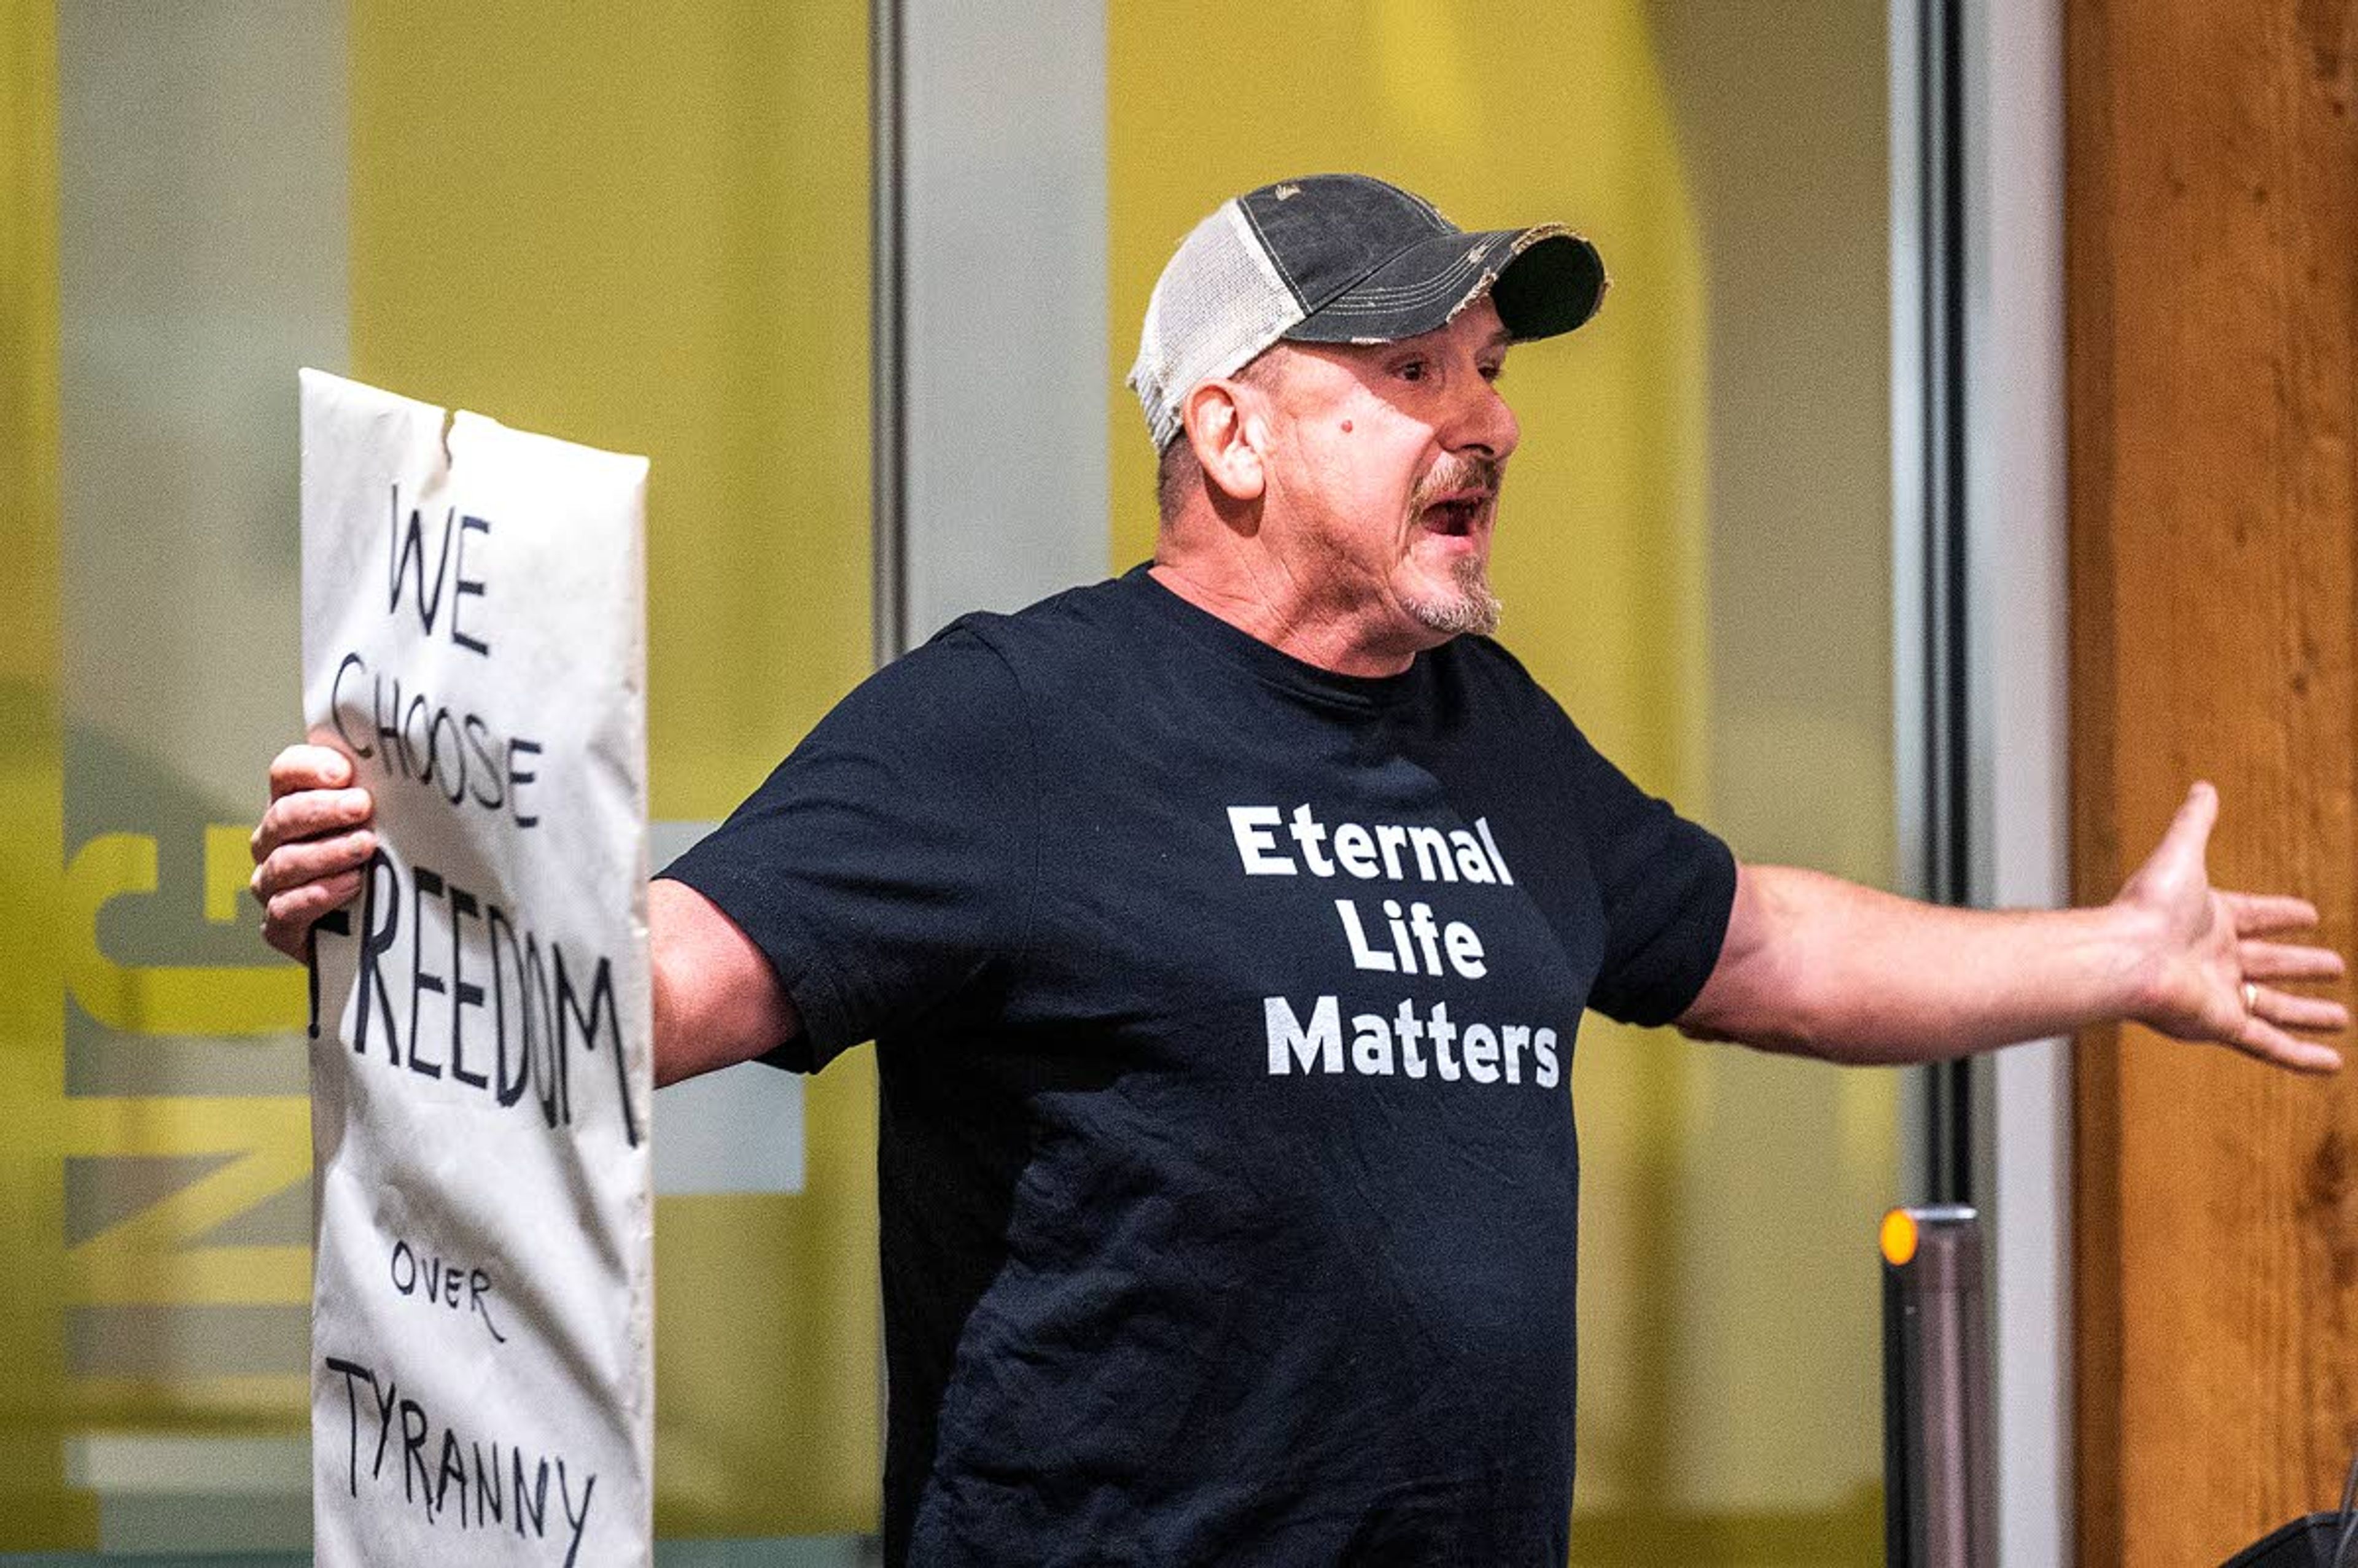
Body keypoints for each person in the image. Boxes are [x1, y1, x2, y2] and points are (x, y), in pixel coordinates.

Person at [251, 174, 2347, 1564]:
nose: (1490, 425)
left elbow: (1755, 938)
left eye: (1494, 376)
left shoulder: (1492, 739)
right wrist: (401, 891)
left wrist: (2122, 952)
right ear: (1234, 435)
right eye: (1412, 372)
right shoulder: (1014, 722)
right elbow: (668, 985)